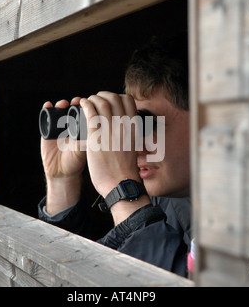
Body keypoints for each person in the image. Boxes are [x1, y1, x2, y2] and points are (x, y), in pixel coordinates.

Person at [37, 33, 192, 277]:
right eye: (130, 125)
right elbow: (87, 276)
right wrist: (61, 182)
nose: (133, 145)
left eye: (145, 125)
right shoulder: (161, 201)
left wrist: (123, 190)